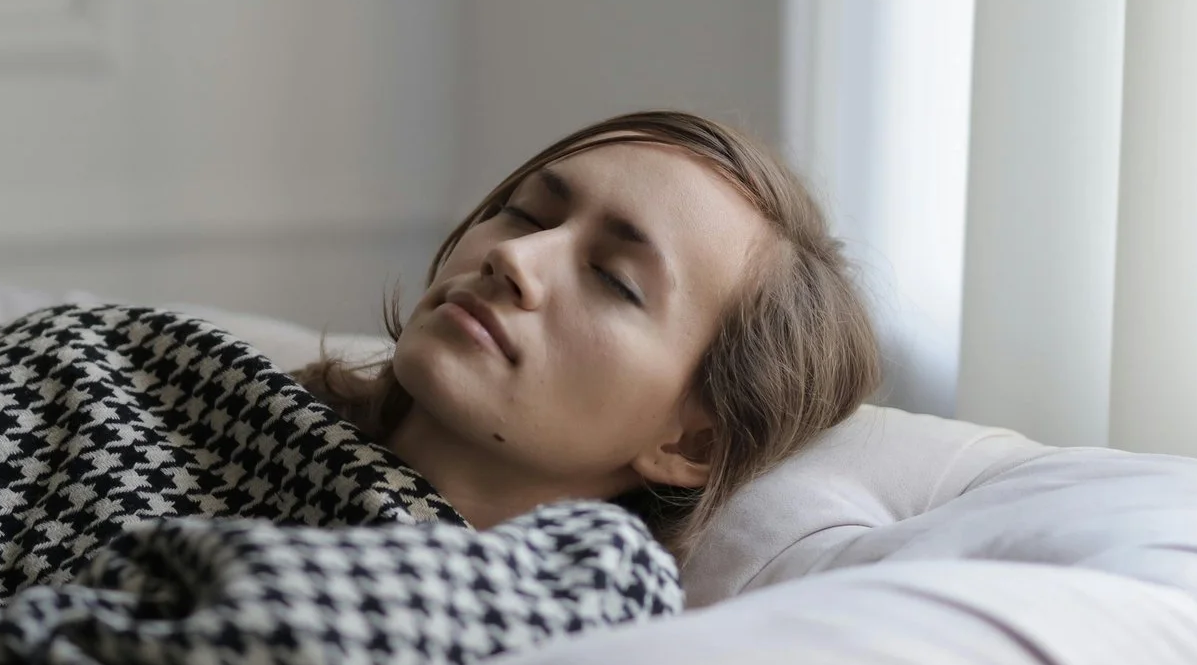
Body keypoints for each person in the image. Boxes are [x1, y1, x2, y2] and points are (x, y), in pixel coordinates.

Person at [302, 109, 880, 557]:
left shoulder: (568, 604)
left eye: (612, 279)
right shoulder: (251, 392)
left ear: (691, 443)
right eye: (525, 214)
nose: (513, 256)